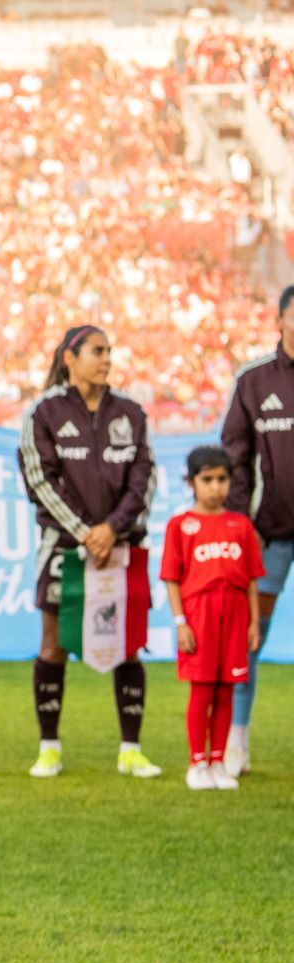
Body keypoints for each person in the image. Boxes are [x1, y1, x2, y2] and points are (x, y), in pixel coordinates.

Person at [18, 325, 160, 779]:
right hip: (64, 550)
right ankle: (49, 747)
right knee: (53, 646)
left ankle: (131, 749)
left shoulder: (132, 412)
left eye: (109, 352)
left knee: (130, 646)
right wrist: (85, 533)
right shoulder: (43, 412)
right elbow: (41, 480)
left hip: (122, 550)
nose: (106, 359)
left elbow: (145, 479)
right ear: (70, 358)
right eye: (97, 351)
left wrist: (112, 530)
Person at [218, 284, 294, 773]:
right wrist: (242, 523)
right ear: (281, 321)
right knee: (251, 635)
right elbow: (234, 458)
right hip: (269, 534)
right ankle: (237, 742)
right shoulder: (253, 381)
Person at [162, 446, 263, 790]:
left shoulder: (241, 525)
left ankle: (218, 762)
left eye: (222, 479)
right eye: (207, 479)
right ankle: (197, 763)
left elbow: (251, 578)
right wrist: (180, 623)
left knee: (227, 690)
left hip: (234, 616)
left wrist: (252, 623)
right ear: (191, 482)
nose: (216, 487)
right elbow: (172, 578)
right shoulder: (180, 526)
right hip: (200, 616)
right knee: (202, 690)